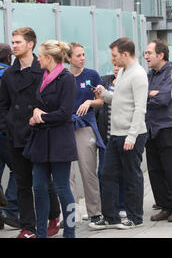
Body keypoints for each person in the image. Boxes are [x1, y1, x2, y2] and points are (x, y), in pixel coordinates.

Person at [0, 28, 61, 238]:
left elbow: (51, 101)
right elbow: (3, 104)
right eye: (13, 42)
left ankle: (53, 216)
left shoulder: (42, 70)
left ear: (30, 45)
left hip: (39, 133)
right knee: (22, 182)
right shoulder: (9, 73)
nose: (14, 45)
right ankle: (28, 228)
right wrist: (6, 126)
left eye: (18, 42)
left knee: (43, 180)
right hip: (15, 134)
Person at [89, 37, 148, 230]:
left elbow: (140, 108)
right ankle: (110, 216)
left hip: (132, 134)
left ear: (125, 54)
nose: (112, 59)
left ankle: (135, 217)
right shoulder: (123, 71)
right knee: (108, 175)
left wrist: (131, 136)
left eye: (114, 56)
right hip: (116, 133)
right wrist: (104, 93)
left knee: (132, 176)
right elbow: (119, 99)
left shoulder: (138, 75)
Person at [23, 40, 78, 238]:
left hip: (60, 141)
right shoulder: (43, 77)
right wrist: (35, 112)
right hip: (41, 141)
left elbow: (65, 112)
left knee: (63, 189)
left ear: (48, 57)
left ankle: (70, 232)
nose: (37, 60)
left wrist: (41, 116)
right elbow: (36, 103)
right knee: (38, 187)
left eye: (40, 56)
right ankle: (40, 233)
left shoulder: (67, 78)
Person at [144, 40, 172, 223]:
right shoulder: (148, 76)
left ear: (160, 55)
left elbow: (164, 98)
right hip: (151, 128)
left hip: (169, 127)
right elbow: (139, 96)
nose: (145, 56)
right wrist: (150, 94)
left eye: (149, 53)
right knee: (155, 170)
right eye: (145, 53)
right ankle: (165, 206)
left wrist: (152, 95)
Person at [67, 42, 105, 224]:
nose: (82, 58)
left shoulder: (92, 75)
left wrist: (89, 103)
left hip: (86, 126)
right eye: (78, 55)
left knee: (88, 171)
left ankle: (95, 213)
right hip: (65, 128)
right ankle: (70, 215)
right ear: (68, 58)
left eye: (83, 54)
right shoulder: (62, 77)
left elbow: (101, 100)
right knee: (67, 175)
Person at [94, 63, 127, 218]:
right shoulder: (104, 81)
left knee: (121, 172)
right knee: (103, 172)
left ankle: (122, 205)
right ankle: (106, 207)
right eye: (114, 65)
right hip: (105, 136)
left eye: (119, 65)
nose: (116, 68)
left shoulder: (129, 83)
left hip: (122, 136)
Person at [0, 43, 19, 230]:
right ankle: (11, 211)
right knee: (18, 169)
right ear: (8, 58)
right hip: (7, 132)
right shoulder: (10, 75)